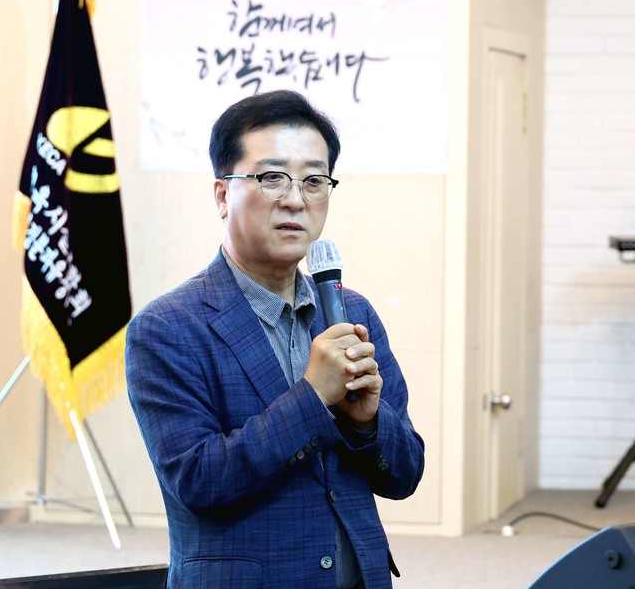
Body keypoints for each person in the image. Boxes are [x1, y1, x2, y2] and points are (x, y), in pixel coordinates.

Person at [126, 89, 424, 589]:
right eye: (271, 177)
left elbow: (405, 474)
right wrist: (314, 397)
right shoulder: (168, 327)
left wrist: (368, 423)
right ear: (222, 195)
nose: (295, 199)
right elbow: (198, 482)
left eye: (314, 180)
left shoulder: (352, 313)